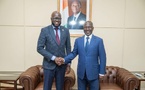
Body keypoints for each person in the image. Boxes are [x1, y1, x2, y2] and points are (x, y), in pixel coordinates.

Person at [57, 21, 106, 90]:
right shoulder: (78, 41)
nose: (87, 29)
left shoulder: (99, 41)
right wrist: (64, 59)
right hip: (81, 73)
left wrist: (102, 72)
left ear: (92, 28)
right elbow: (73, 53)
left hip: (94, 73)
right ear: (83, 29)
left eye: (89, 27)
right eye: (85, 27)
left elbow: (102, 57)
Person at [37, 11, 71, 90]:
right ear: (51, 19)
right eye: (55, 18)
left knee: (60, 88)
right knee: (47, 88)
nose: (57, 20)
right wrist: (53, 58)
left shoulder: (65, 30)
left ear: (61, 19)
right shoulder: (45, 30)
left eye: (59, 18)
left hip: (61, 66)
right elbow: (39, 48)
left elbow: (68, 48)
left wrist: (68, 63)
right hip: (49, 66)